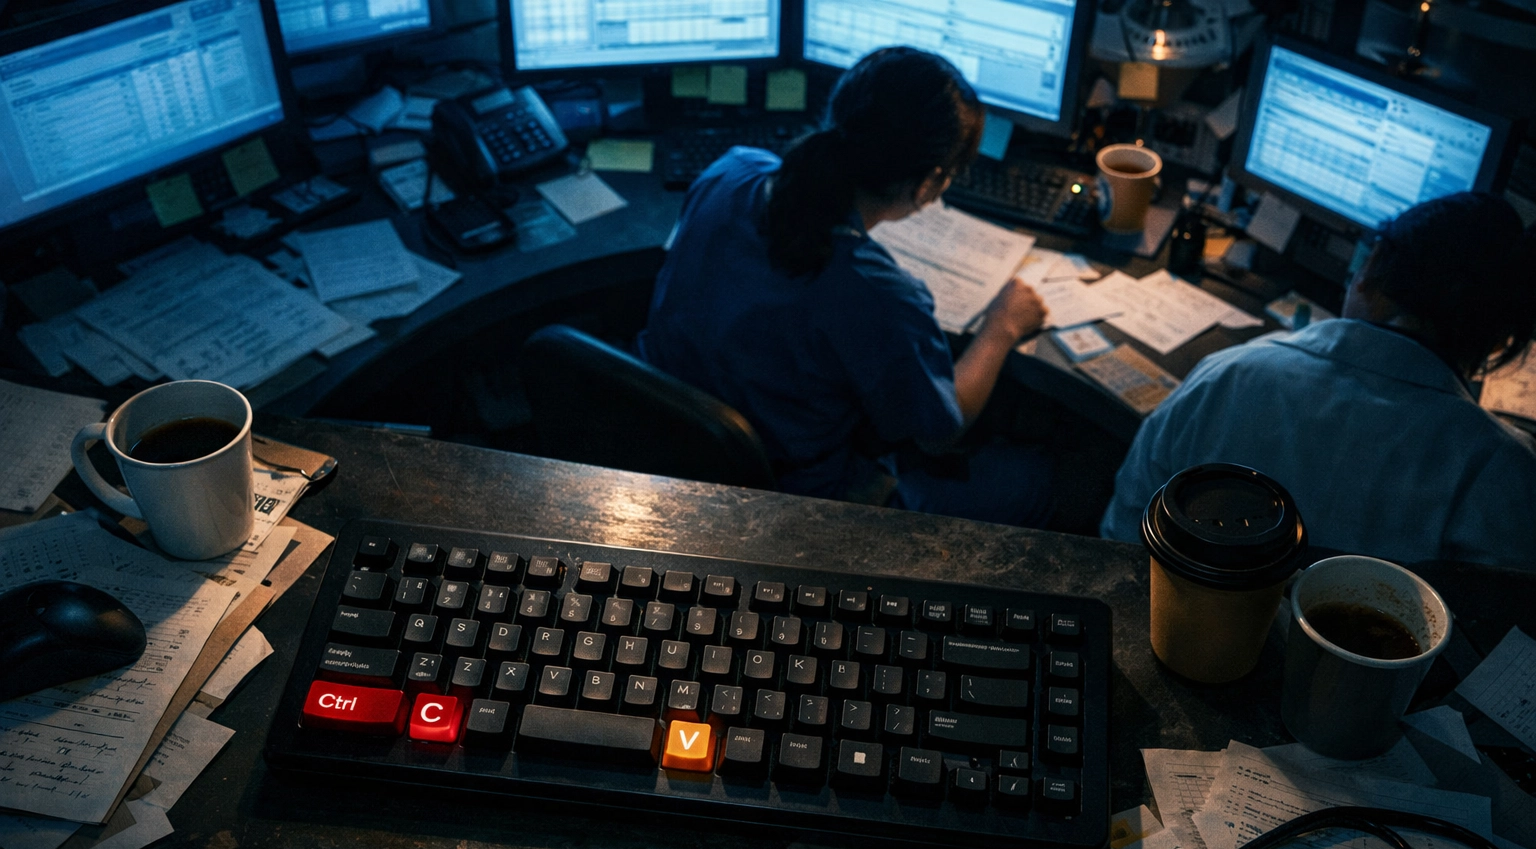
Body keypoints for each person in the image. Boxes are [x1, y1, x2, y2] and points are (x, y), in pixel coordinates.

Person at [636, 47, 1053, 526]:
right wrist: (1001, 327)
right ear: (928, 184)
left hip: (666, 448)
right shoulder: (878, 293)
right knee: (1034, 479)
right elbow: (939, 432)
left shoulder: (730, 170)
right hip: (791, 504)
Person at [1101, 191, 1536, 569]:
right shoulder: (1500, 468)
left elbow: (1122, 534)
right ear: (1500, 339)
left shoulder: (1227, 373)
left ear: (1369, 273)